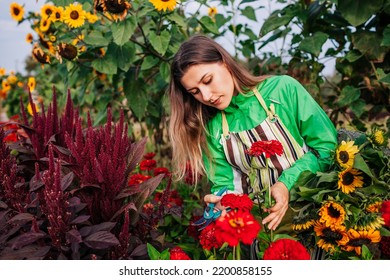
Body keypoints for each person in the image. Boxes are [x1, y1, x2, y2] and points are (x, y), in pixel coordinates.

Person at [168, 35, 337, 243]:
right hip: (263, 233)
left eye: (208, 80)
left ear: (225, 62)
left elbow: (327, 148)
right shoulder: (213, 130)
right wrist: (223, 204)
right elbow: (226, 185)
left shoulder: (282, 90)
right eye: (195, 92)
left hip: (318, 220)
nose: (206, 96)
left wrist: (285, 184)